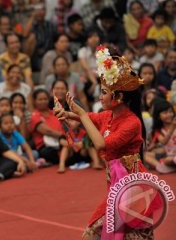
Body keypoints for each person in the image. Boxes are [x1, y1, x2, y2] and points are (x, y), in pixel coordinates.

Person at [55, 45, 158, 239]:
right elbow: (91, 118)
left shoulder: (132, 123)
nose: (100, 96)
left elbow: (101, 144)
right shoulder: (108, 115)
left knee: (117, 233)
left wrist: (82, 114)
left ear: (118, 97)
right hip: (118, 185)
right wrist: (67, 113)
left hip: (133, 187)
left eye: (104, 92)